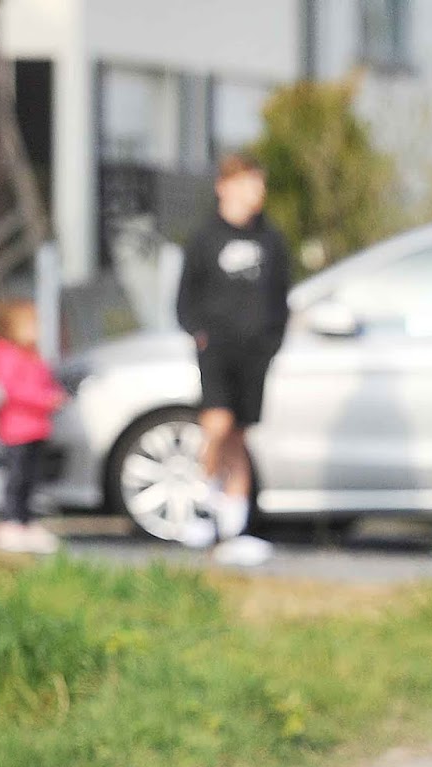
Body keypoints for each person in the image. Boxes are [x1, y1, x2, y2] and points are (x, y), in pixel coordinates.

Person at [174, 151, 290, 565]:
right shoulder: (206, 237)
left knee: (240, 435)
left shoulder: (270, 239)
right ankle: (203, 508)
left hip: (255, 354)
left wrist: (271, 342)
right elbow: (187, 296)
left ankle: (235, 526)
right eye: (247, 182)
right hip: (217, 350)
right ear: (225, 187)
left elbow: (281, 297)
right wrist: (199, 334)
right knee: (217, 425)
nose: (255, 191)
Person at [0, 298, 66, 555]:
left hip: (37, 429)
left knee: (31, 480)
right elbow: (13, 390)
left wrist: (55, 395)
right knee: (17, 479)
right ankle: (10, 523)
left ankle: (25, 522)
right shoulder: (5, 353)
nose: (38, 329)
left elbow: (44, 382)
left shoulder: (33, 355)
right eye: (32, 324)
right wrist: (44, 400)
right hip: (16, 431)